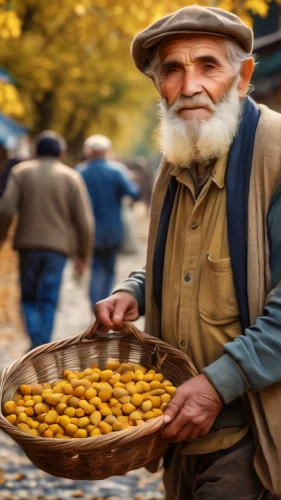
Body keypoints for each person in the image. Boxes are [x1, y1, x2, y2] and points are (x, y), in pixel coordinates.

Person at [94, 5, 281, 500]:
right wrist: (136, 289)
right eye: (172, 70)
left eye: (208, 65)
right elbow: (188, 255)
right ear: (158, 85)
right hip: (181, 434)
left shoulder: (277, 154)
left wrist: (221, 382)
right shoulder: (179, 157)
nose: (190, 84)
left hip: (253, 434)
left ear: (242, 77)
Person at [0, 131, 94, 350]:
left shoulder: (21, 172)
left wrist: (2, 237)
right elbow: (85, 222)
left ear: (35, 151)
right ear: (61, 153)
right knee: (49, 299)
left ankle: (35, 338)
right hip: (58, 249)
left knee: (28, 297)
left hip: (27, 245)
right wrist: (82, 255)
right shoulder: (72, 177)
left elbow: (5, 209)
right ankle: (41, 344)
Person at [76, 134, 141, 307]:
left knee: (96, 269)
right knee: (110, 270)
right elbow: (134, 193)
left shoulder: (80, 172)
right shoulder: (117, 171)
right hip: (114, 230)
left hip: (90, 231)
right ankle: (106, 305)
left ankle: (96, 308)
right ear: (107, 151)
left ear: (88, 152)